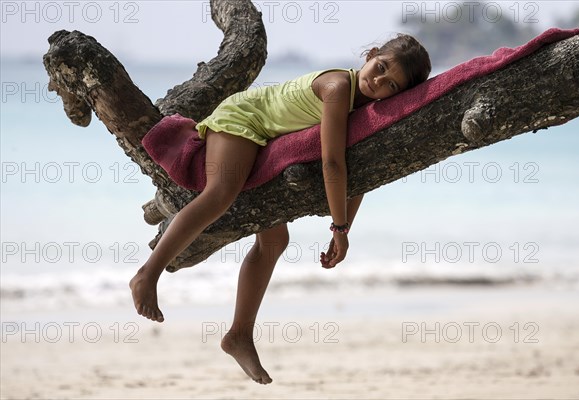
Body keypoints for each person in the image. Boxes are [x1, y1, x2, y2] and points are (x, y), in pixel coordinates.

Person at [130, 33, 431, 384]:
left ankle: (239, 335)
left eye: (391, 85)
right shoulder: (337, 88)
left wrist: (345, 225)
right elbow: (332, 164)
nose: (378, 82)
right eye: (380, 68)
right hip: (244, 118)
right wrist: (339, 228)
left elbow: (359, 172)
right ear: (371, 54)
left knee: (274, 241)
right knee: (220, 193)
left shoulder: (365, 108)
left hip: (266, 140)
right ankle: (147, 274)